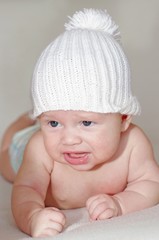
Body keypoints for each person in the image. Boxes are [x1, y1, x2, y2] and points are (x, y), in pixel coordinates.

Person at [0, 8, 159, 238]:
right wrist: (32, 217)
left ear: (123, 119)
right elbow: (26, 190)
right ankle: (23, 122)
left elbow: (151, 183)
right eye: (53, 122)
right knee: (6, 158)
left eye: (86, 122)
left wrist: (121, 204)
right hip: (22, 149)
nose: (70, 139)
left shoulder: (133, 144)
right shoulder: (39, 149)